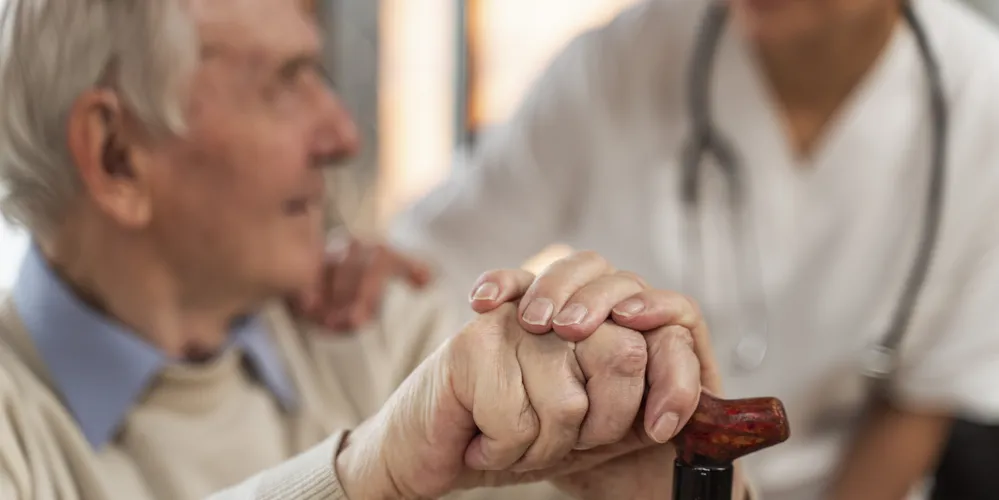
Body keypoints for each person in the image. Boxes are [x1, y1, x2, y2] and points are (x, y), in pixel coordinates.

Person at [0, 1, 731, 499]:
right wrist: (359, 478)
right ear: (116, 154)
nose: (342, 136)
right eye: (283, 84)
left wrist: (663, 485)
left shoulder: (387, 335)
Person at [372, 0, 999, 498]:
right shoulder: (622, 61)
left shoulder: (980, 101)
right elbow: (434, 254)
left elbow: (920, 401)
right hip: (622, 483)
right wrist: (370, 271)